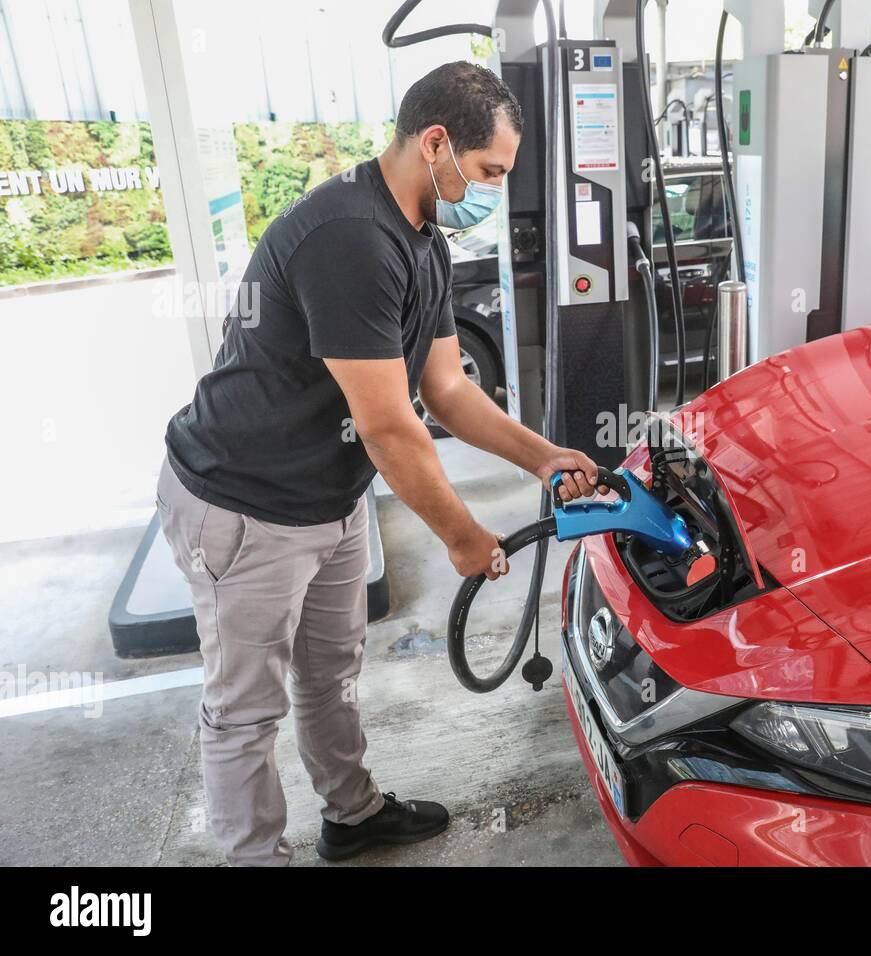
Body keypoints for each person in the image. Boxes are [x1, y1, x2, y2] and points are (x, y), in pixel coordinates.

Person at [156, 61, 600, 865]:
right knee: (244, 709)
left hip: (327, 499)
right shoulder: (351, 238)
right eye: (491, 170)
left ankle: (352, 815)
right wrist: (463, 535)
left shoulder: (422, 237)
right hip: (243, 505)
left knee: (331, 672)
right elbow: (391, 428)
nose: (493, 189)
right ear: (436, 143)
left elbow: (447, 391)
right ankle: (255, 857)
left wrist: (544, 456)